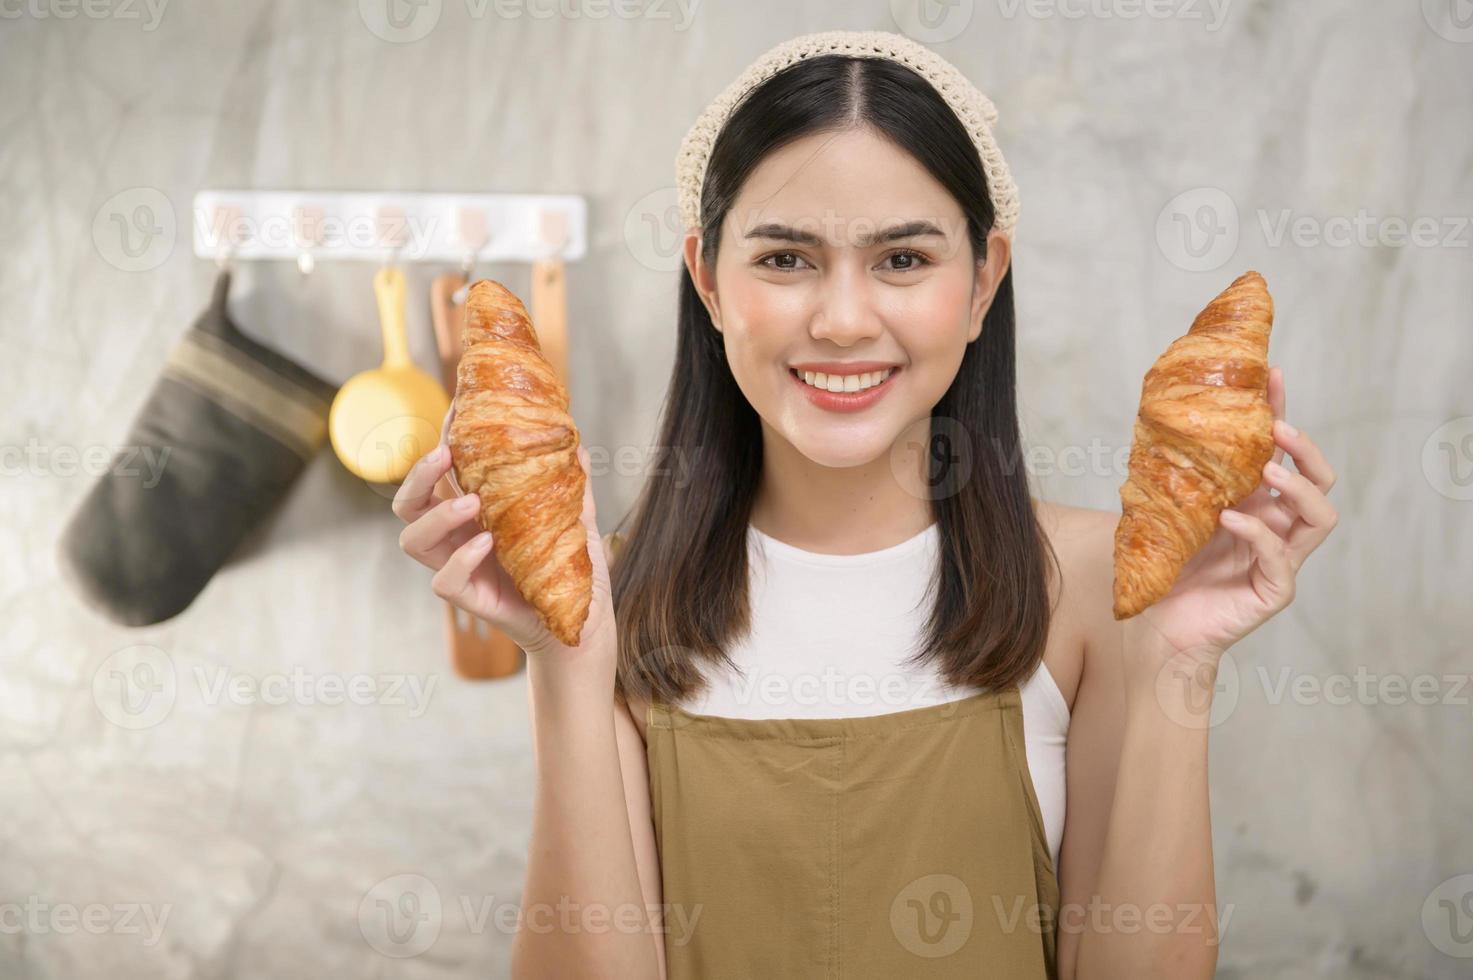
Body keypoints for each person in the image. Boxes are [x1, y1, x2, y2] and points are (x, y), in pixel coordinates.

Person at [394, 29, 1339, 980]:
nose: (843, 320)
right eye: (784, 260)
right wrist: (562, 670)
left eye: (901, 260)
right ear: (707, 280)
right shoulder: (606, 603)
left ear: (983, 283)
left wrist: (1182, 663)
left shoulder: (1103, 592)